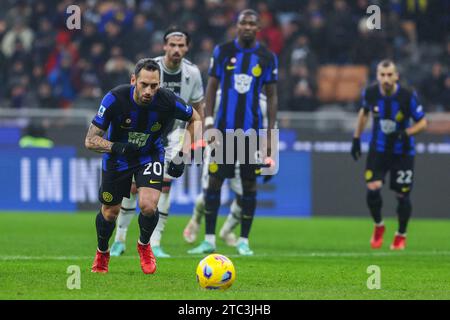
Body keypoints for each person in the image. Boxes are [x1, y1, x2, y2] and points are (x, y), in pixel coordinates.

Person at [85, 58, 201, 273]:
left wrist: (182, 155)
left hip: (149, 155)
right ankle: (102, 251)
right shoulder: (114, 99)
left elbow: (196, 118)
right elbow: (90, 140)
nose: (149, 91)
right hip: (117, 159)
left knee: (149, 205)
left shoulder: (167, 100)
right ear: (133, 80)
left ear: (160, 85)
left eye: (154, 86)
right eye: (144, 85)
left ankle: (144, 246)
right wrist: (116, 147)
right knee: (110, 212)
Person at [187, 9, 278, 256]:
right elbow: (212, 85)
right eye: (243, 23)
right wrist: (207, 121)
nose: (247, 27)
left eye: (252, 23)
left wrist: (270, 133)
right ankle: (209, 240)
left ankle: (244, 241)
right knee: (214, 182)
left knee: (249, 185)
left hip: (250, 135)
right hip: (223, 132)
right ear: (237, 26)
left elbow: (271, 97)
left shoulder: (266, 57)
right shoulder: (223, 51)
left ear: (258, 28)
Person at [109, 27, 205, 258]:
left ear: (187, 48)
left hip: (173, 136)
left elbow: (198, 110)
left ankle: (155, 242)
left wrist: (187, 149)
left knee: (163, 188)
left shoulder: (193, 73)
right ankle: (120, 239)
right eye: (172, 45)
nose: (176, 49)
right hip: (142, 134)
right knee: (132, 188)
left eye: (181, 46)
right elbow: (131, 98)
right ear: (164, 46)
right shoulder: (150, 70)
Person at [351, 59, 427, 250]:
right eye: (382, 75)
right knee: (373, 187)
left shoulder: (407, 95)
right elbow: (364, 113)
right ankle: (379, 226)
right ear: (377, 76)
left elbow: (423, 123)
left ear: (396, 76)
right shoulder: (370, 93)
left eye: (389, 75)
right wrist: (356, 138)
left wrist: (405, 133)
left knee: (402, 195)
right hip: (378, 150)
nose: (385, 79)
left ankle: (401, 234)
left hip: (403, 152)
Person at [183, 93, 272, 246]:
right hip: (218, 149)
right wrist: (203, 139)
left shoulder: (262, 102)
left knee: (244, 196)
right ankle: (196, 218)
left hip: (247, 150)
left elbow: (268, 129)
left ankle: (226, 230)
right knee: (208, 194)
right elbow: (204, 116)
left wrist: (269, 156)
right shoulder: (219, 95)